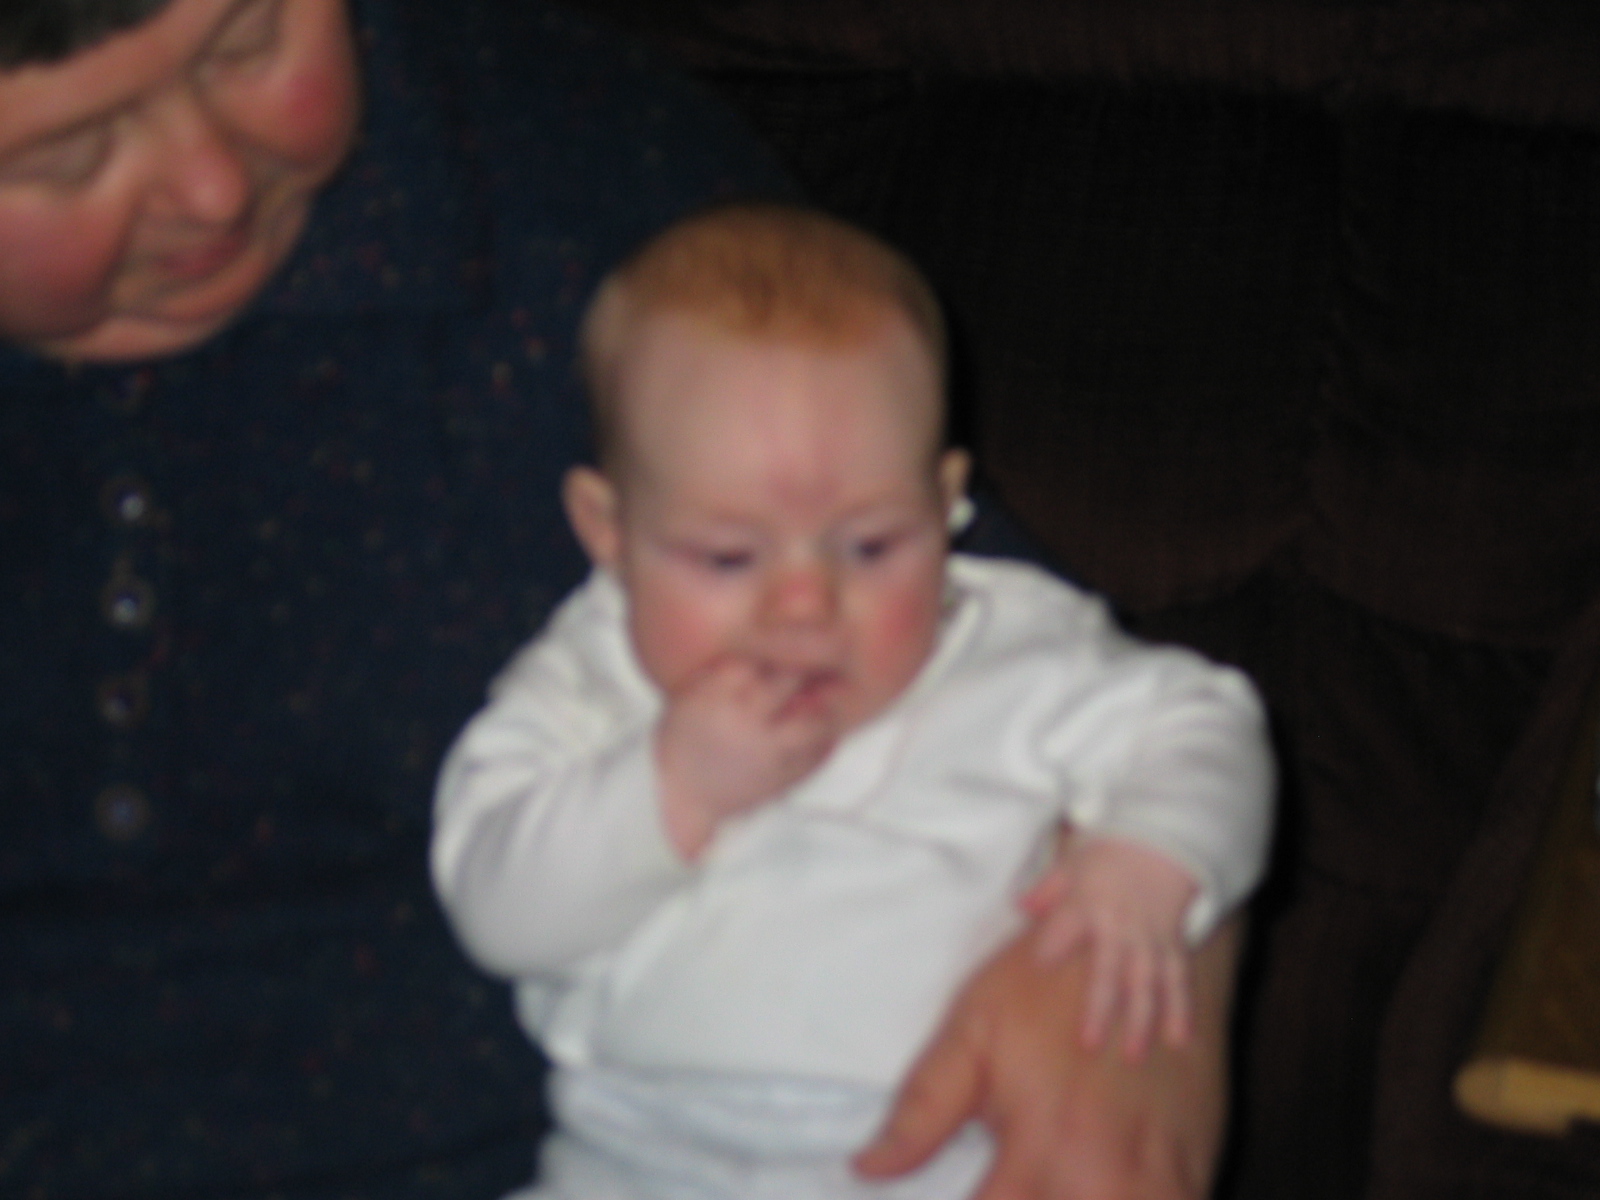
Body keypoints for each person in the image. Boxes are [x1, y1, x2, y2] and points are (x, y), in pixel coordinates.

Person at [0, 2, 1243, 1198]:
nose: (212, 185)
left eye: (249, 39)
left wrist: (1148, 971)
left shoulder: (582, 178)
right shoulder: (576, 685)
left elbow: (1065, 682)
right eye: (66, 155)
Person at [431, 204, 1274, 1199]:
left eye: (871, 545)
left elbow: (1206, 724)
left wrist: (1149, 857)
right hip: (639, 1152)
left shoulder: (1018, 650)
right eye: (728, 557)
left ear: (945, 503)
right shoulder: (587, 676)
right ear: (608, 530)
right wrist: (672, 788)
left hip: (941, 1149)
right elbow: (499, 913)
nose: (805, 605)